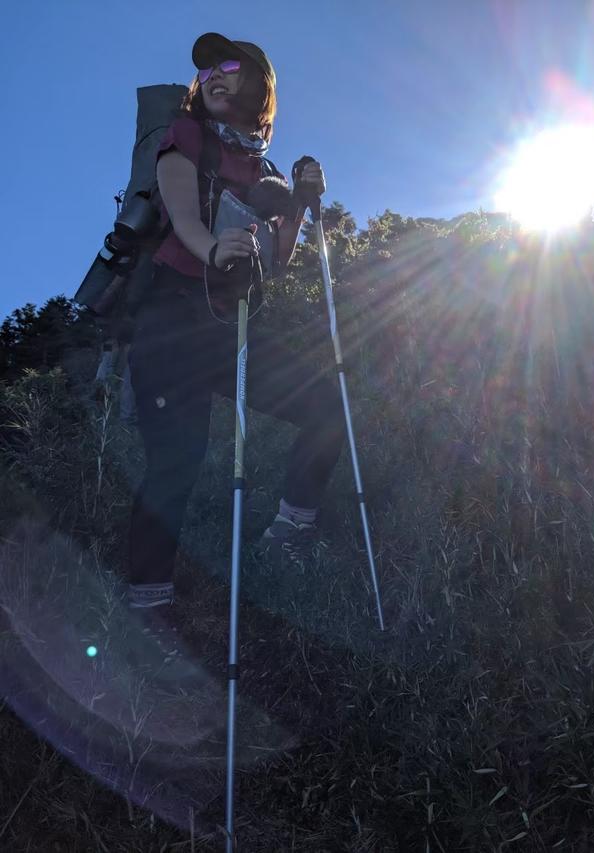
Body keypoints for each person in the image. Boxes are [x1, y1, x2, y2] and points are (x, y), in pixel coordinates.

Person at [126, 33, 345, 660]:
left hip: (233, 322)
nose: (215, 76)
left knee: (326, 401)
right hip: (171, 316)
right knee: (177, 460)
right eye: (209, 69)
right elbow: (182, 214)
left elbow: (277, 257)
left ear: (258, 84)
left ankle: (289, 531)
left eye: (230, 66)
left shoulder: (265, 170)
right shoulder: (186, 135)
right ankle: (148, 604)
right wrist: (211, 249)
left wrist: (300, 204)